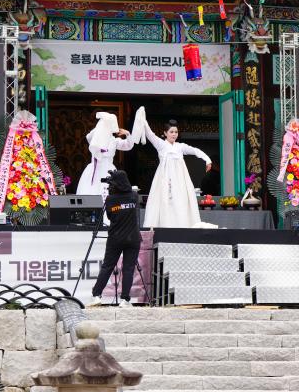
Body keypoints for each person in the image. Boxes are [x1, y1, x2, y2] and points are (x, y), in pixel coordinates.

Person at [142, 114, 212, 228]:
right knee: (164, 201)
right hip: (165, 180)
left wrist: (207, 159)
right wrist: (143, 120)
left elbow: (194, 150)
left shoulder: (180, 146)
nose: (174, 134)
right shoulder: (161, 144)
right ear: (165, 133)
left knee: (180, 202)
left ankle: (181, 226)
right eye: (171, 132)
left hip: (179, 181)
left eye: (176, 132)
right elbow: (150, 134)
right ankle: (164, 227)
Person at [89, 170, 141, 308]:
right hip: (133, 238)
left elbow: (111, 217)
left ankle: (96, 295)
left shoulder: (110, 199)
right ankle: (125, 300)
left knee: (107, 266)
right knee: (128, 269)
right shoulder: (134, 196)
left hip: (115, 238)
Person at [76, 112, 134, 197]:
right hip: (94, 170)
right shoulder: (94, 139)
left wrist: (128, 134)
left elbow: (128, 146)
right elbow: (88, 137)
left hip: (108, 170)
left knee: (107, 192)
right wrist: (103, 122)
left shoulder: (114, 141)